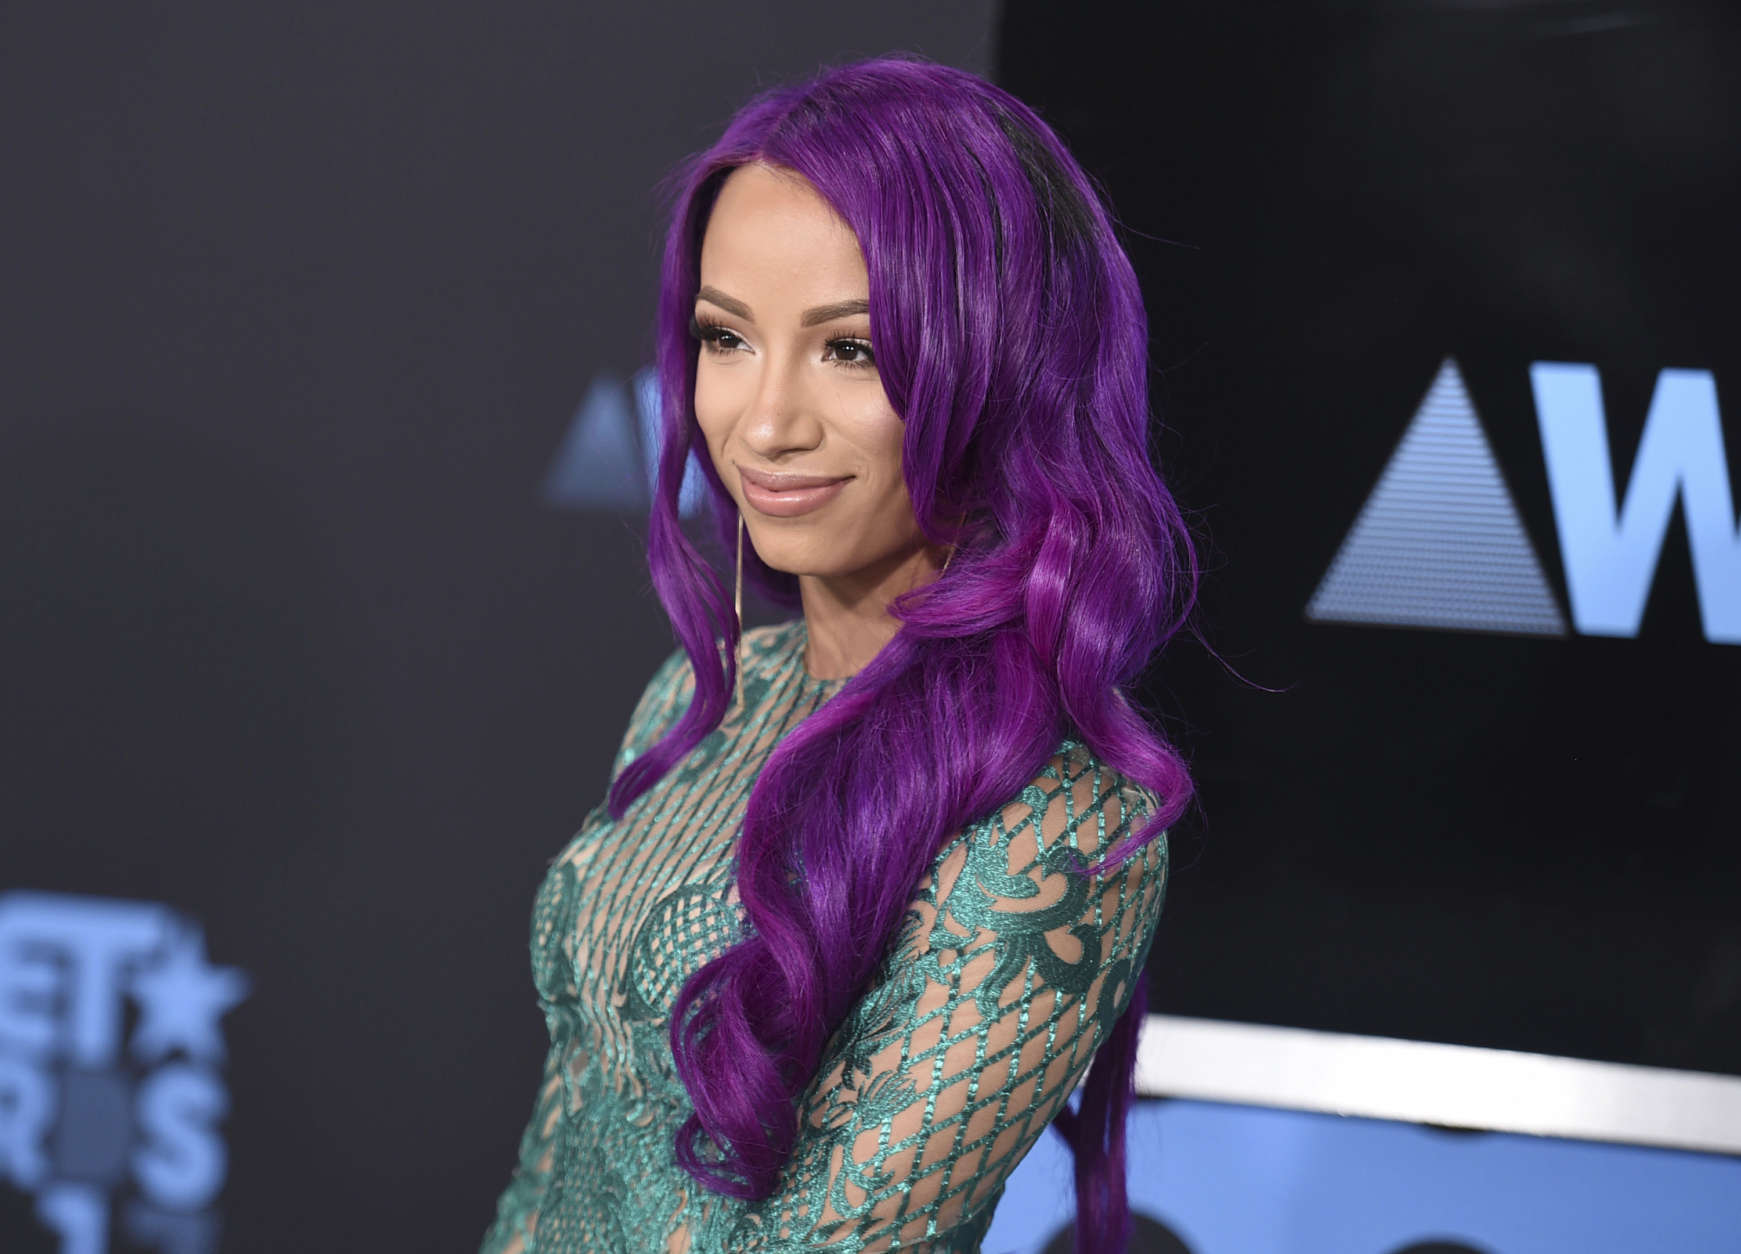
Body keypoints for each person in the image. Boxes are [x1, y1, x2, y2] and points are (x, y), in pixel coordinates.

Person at [479, 52, 1200, 1254]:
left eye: (849, 351)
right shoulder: (709, 695)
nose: (763, 423)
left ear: (1003, 362)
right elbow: (557, 1157)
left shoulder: (1065, 830)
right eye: (726, 338)